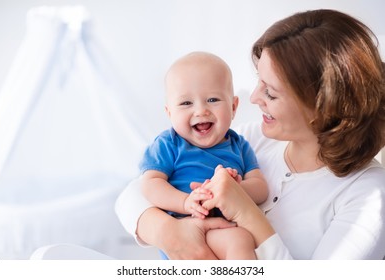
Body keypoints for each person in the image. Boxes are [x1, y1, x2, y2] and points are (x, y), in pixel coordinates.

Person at [115, 9, 385, 259]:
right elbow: (132, 193)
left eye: (270, 92)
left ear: (322, 107)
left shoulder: (368, 196)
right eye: (259, 81)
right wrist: (169, 233)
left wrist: (245, 211)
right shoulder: (253, 139)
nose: (254, 98)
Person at [139, 52, 268, 260]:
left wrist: (236, 190)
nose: (201, 110)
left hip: (225, 226)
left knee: (243, 240)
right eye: (186, 103)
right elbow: (150, 184)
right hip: (186, 228)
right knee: (240, 240)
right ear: (169, 112)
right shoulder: (168, 143)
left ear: (234, 107)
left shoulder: (239, 145)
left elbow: (261, 187)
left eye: (212, 99)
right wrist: (185, 202)